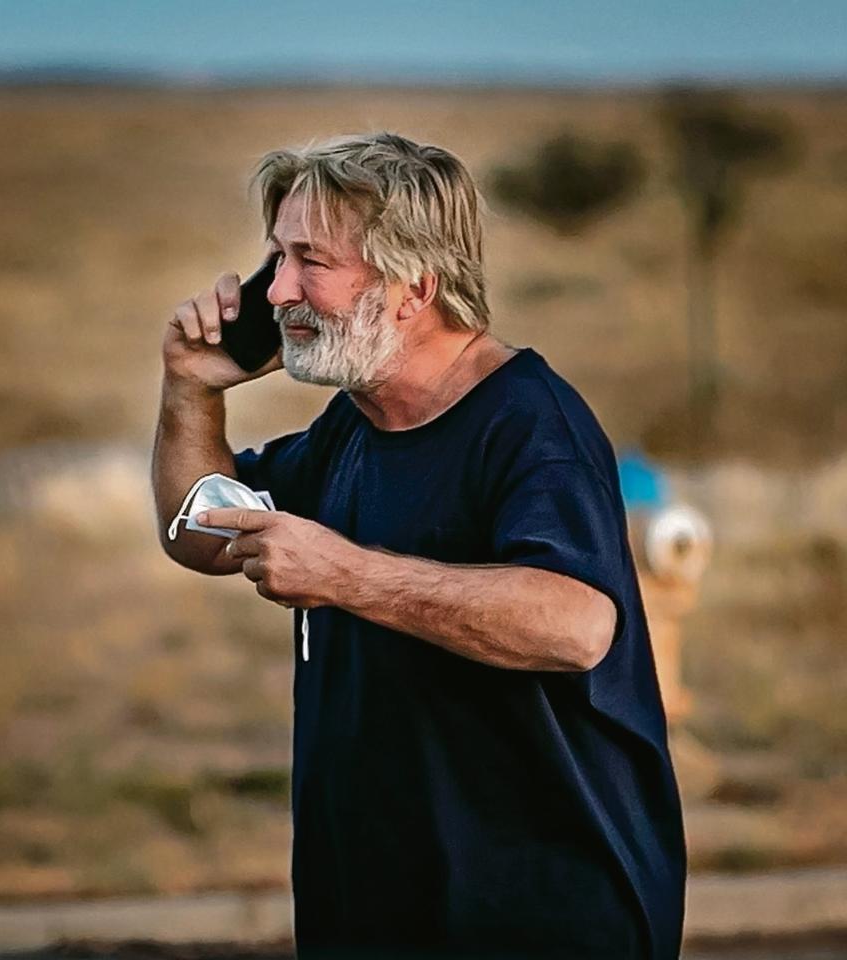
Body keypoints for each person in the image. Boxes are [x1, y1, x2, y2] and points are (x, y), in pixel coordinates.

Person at [152, 132, 686, 960]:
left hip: (538, 915)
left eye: (310, 262)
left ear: (414, 287)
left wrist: (348, 575)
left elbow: (576, 623)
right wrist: (189, 387)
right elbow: (201, 530)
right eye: (275, 259)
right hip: (374, 906)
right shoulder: (356, 425)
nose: (279, 290)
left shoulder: (528, 424)